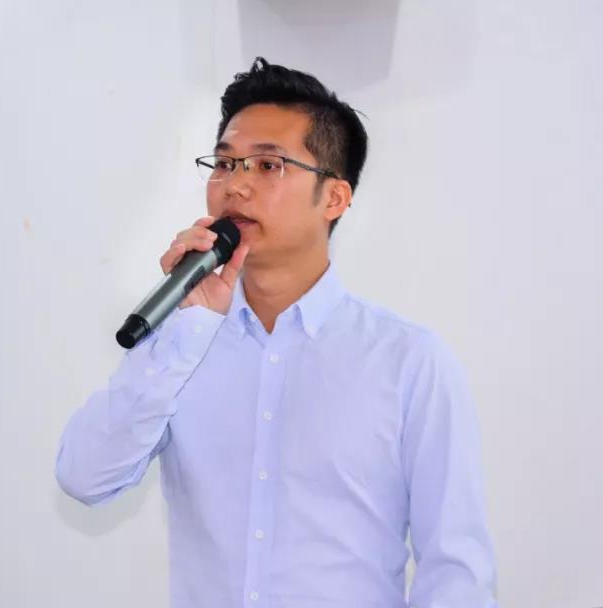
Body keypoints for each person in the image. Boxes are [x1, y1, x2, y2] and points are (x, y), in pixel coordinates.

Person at [55, 57, 499, 607]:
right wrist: (184, 329)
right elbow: (84, 477)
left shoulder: (408, 361)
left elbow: (456, 571)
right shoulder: (182, 343)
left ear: (334, 198)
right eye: (224, 164)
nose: (235, 186)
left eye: (268, 166)